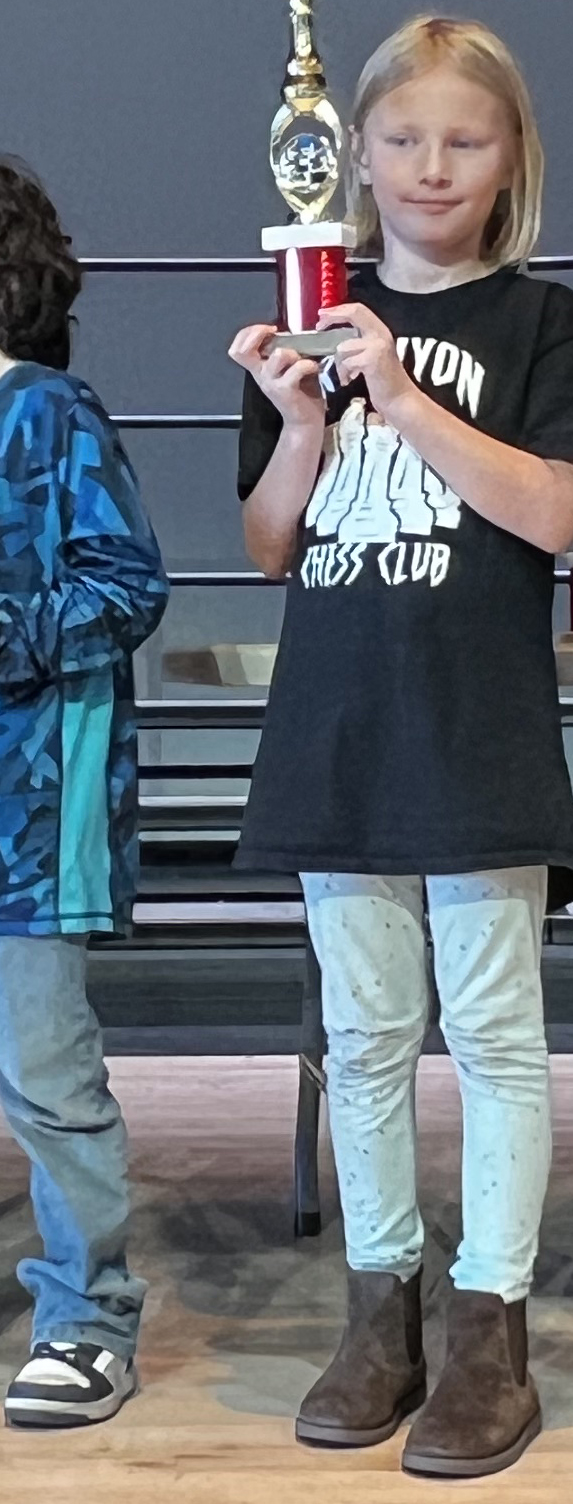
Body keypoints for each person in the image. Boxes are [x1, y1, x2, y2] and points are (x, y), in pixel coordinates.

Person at [228, 17, 573, 1478]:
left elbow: (551, 516)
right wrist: (303, 423)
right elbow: (274, 543)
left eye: (463, 138)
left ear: (511, 156)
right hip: (338, 739)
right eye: (401, 138)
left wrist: (400, 395)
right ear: (357, 155)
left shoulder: (546, 327)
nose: (429, 165)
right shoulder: (310, 318)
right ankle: (379, 1312)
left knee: (498, 1039)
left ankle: (491, 1327)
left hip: (477, 741)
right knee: (366, 1043)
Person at [0, 159, 167, 1428]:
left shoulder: (49, 413)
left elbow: (124, 582)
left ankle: (87, 1311)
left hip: (29, 816)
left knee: (47, 1074)